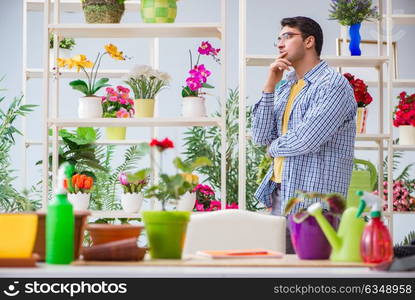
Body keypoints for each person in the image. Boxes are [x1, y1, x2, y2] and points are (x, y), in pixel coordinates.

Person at [251, 16, 357, 253]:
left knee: (311, 274)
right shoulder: (287, 84)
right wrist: (270, 86)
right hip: (282, 193)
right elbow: (259, 135)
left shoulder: (332, 85)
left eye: (288, 36)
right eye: (279, 38)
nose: (280, 43)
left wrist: (272, 148)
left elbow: (306, 139)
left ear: (309, 41)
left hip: (315, 202)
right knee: (280, 274)